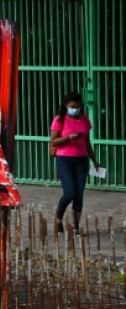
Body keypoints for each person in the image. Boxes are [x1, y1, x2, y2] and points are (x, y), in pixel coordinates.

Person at [50, 91, 102, 234]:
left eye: (78, 106)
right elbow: (53, 141)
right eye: (72, 106)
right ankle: (58, 217)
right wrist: (68, 138)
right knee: (70, 193)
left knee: (79, 194)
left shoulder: (84, 119)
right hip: (64, 160)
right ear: (66, 106)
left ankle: (76, 225)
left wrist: (94, 160)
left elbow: (87, 142)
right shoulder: (59, 119)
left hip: (81, 160)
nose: (75, 109)